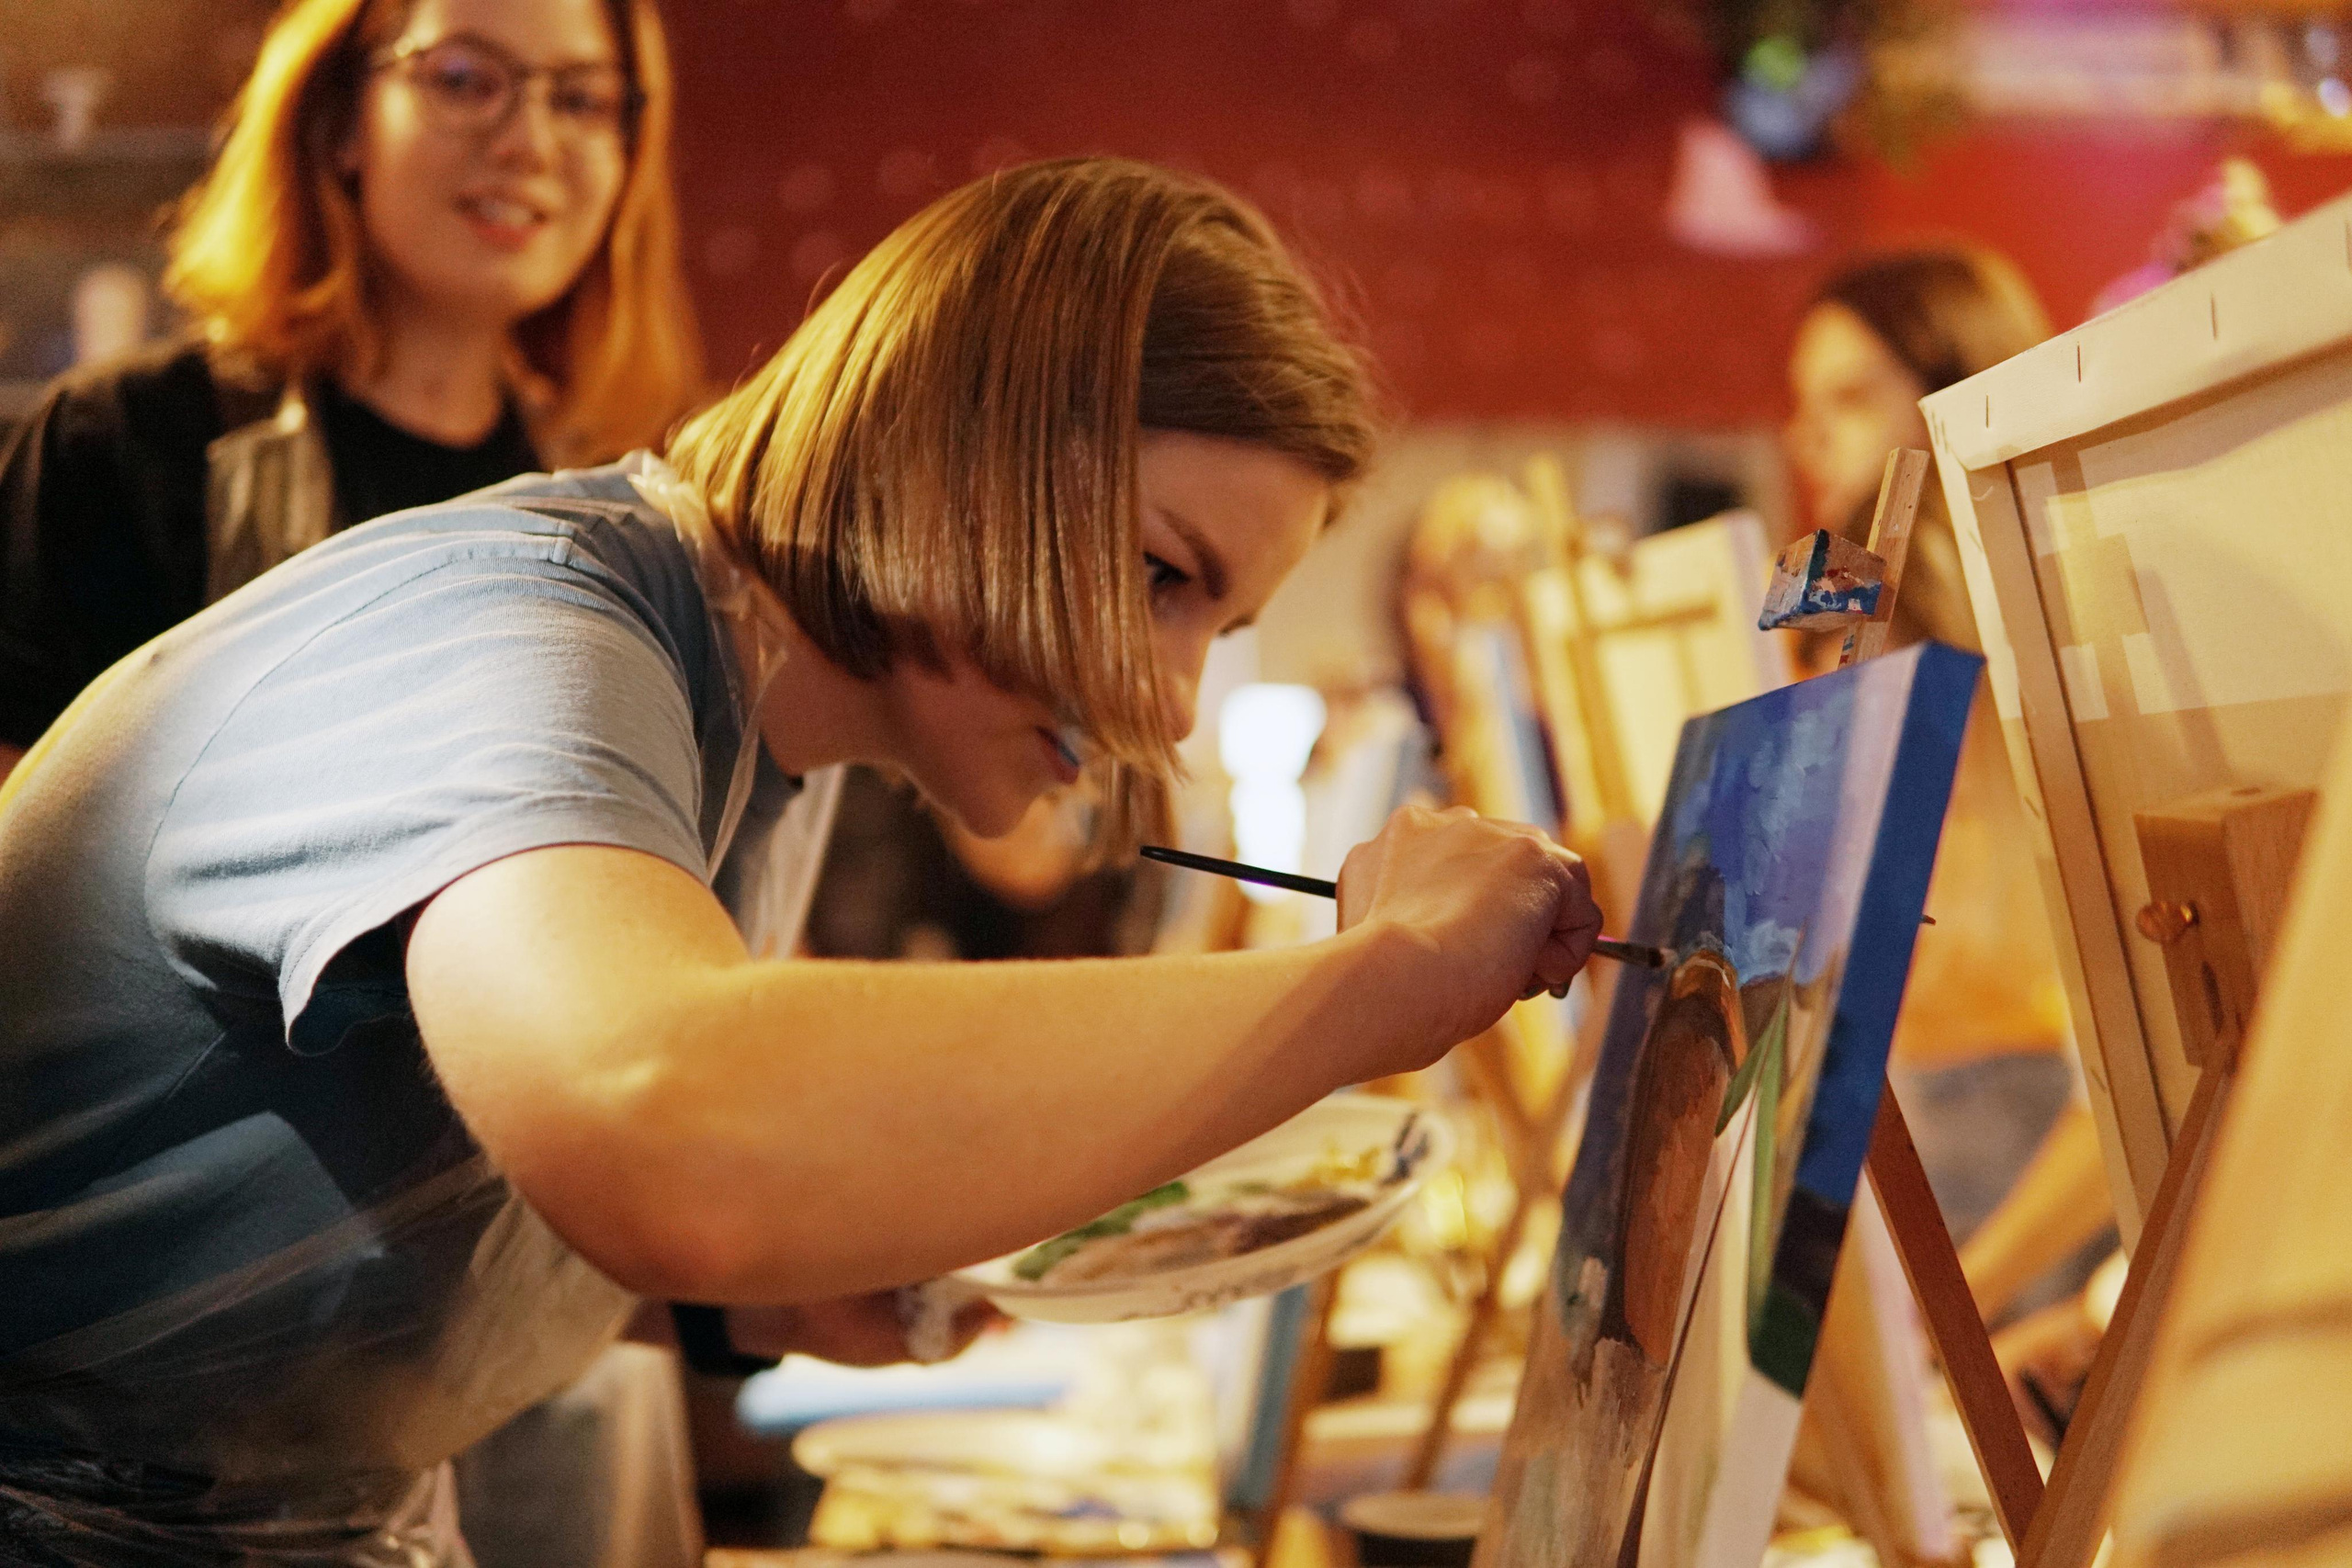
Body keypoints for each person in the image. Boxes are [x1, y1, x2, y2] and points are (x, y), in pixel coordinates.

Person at [0, 157, 1603, 1565]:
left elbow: (344, 1152)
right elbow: (664, 1125)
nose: (1165, 708)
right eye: (1158, 573)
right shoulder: (519, 630)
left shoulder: (763, 716)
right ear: (953, 441)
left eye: (1217, 625)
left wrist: (741, 1299)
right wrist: (1380, 980)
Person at [0, 0, 700, 779]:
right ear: (340, 122)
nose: (530, 144)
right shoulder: (123, 441)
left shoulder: (622, 511)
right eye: (464, 79)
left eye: (581, 99)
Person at [1782, 248, 2116, 1335]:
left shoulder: (2043, 636)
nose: (1809, 435)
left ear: (1952, 391)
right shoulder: (1842, 621)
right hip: (1900, 1171)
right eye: (1801, 404)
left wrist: (1951, 1312)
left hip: (2046, 1226)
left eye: (1847, 395)